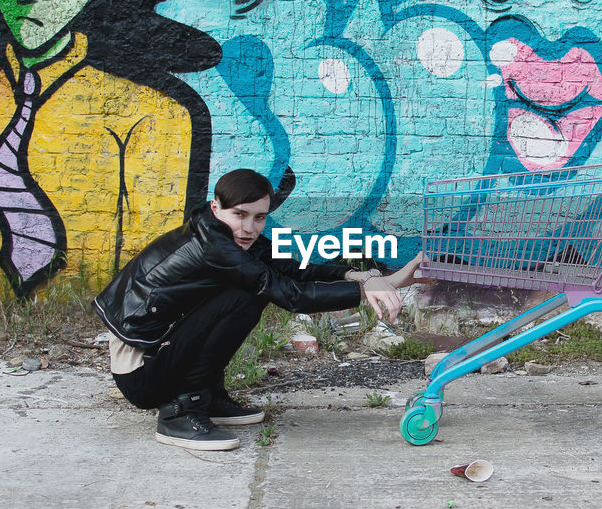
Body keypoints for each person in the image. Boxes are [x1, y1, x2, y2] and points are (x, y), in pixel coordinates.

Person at [93, 168, 423, 451]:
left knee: (250, 290)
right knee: (246, 296)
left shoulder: (224, 235)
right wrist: (365, 291)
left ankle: (206, 395)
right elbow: (292, 296)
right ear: (216, 207)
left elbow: (295, 270)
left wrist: (372, 278)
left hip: (159, 356)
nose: (250, 228)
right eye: (240, 214)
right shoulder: (215, 248)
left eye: (259, 217)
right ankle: (180, 411)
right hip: (142, 372)